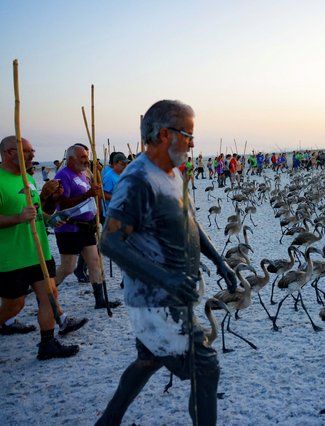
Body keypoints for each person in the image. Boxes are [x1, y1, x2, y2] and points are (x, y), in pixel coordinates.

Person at [96, 99, 237, 425]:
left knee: (148, 359)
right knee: (206, 368)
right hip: (157, 302)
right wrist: (168, 280)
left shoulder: (172, 173)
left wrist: (218, 260)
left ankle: (108, 421)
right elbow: (110, 241)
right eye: (188, 133)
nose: (192, 142)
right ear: (164, 134)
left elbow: (190, 221)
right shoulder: (138, 181)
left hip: (171, 298)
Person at [0, 136, 86, 359]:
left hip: (39, 252)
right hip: (12, 256)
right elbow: (18, 216)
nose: (33, 155)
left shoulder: (28, 178)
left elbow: (39, 213)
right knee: (15, 305)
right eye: (27, 151)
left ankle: (47, 344)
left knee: (50, 294)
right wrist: (17, 218)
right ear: (9, 153)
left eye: (33, 150)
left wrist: (50, 218)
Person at [53, 144, 121, 310]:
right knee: (67, 268)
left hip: (86, 227)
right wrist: (87, 195)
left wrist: (94, 194)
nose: (86, 160)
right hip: (69, 228)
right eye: (82, 157)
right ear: (70, 159)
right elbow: (62, 203)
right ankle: (45, 292)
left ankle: (100, 300)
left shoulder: (82, 174)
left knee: (95, 262)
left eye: (86, 156)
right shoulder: (63, 175)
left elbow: (89, 197)